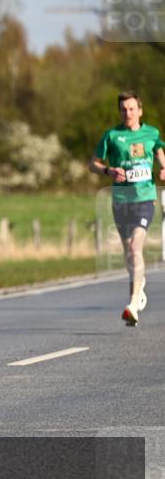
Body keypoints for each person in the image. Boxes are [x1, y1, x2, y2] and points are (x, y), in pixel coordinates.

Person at [89, 90, 165, 326]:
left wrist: (163, 167)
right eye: (123, 109)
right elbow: (93, 164)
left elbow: (160, 153)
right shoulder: (112, 136)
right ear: (119, 111)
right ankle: (139, 289)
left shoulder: (151, 133)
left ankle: (133, 303)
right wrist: (108, 171)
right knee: (127, 252)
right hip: (121, 201)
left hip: (144, 199)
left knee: (135, 248)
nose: (128, 113)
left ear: (140, 110)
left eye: (132, 108)